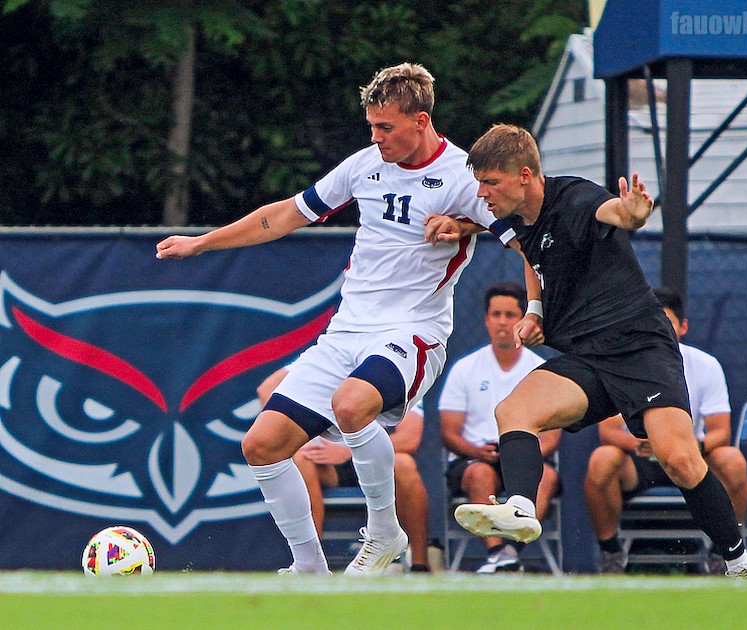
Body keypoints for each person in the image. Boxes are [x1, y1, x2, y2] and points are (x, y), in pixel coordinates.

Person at [156, 63, 513, 576]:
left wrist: (466, 227)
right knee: (261, 445)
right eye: (371, 126)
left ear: (421, 120)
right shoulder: (364, 166)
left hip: (413, 332)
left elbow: (518, 228)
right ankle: (310, 569)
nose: (376, 137)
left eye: (385, 126)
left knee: (351, 405)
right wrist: (202, 243)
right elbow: (284, 215)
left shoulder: (463, 174)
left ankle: (386, 533)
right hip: (346, 332)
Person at [452, 124, 747, 579]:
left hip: (640, 349)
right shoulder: (515, 217)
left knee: (680, 459)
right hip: (588, 357)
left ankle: (739, 564)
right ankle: (520, 506)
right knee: (513, 410)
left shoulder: (576, 198)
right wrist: (535, 310)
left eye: (490, 182)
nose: (481, 192)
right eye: (479, 183)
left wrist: (633, 213)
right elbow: (529, 256)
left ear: (524, 175)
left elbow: (617, 213)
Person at [584, 286, 747, 574]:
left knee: (733, 461)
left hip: (690, 459)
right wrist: (638, 444)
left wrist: (692, 447)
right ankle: (611, 552)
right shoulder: (622, 365)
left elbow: (721, 432)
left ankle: (725, 553)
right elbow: (608, 432)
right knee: (601, 460)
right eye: (650, 322)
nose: (658, 329)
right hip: (640, 462)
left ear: (683, 326)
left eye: (666, 322)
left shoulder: (706, 366)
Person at [256, 369, 431, 572]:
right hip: (328, 463)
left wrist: (348, 450)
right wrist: (301, 439)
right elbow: (267, 388)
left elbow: (410, 438)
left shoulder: (396, 368)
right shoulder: (327, 359)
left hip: (376, 458)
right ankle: (310, 563)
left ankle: (419, 564)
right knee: (301, 459)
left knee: (404, 464)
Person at [439, 281, 560, 573]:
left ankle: (507, 555)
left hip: (529, 460)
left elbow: (552, 435)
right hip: (475, 460)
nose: (503, 322)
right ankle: (499, 553)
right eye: (496, 314)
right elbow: (449, 432)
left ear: (524, 319)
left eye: (510, 314)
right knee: (480, 474)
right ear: (486, 320)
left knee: (547, 476)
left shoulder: (541, 370)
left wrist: (520, 457)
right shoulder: (464, 369)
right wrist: (477, 452)